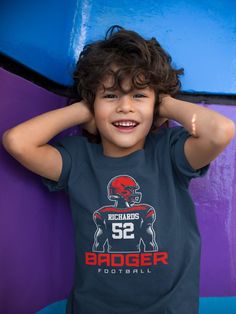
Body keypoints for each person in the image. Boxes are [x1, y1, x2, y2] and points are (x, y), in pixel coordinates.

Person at [2, 25, 235, 314]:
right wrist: (83, 108)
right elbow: (17, 141)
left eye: (139, 95)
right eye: (110, 96)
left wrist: (165, 103)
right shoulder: (77, 160)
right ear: (92, 103)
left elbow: (221, 131)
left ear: (156, 106)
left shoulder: (170, 153)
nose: (125, 107)